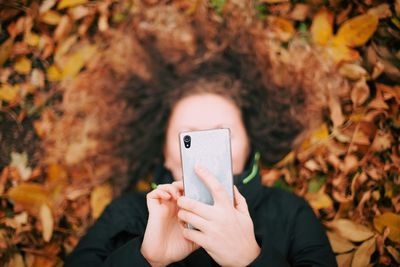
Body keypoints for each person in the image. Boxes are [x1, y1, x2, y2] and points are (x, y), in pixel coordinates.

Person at [65, 61, 337, 267]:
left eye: (221, 133)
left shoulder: (289, 212)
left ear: (248, 145)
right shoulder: (125, 213)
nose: (205, 153)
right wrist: (146, 259)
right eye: (189, 136)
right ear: (165, 153)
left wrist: (250, 258)